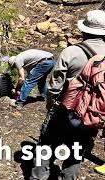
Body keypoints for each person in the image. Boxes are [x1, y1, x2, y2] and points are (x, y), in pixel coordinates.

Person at [30, 10, 105, 180]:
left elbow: (55, 86)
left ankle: (38, 177)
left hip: (65, 109)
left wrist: (50, 105)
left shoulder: (71, 52)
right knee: (76, 152)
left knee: (46, 146)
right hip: (91, 115)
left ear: (84, 30)